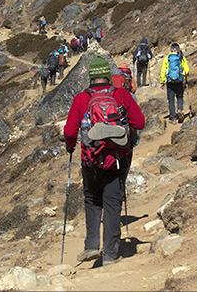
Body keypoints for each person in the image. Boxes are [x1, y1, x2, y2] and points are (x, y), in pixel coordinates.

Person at [63, 55, 145, 266]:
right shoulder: (122, 95)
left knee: (92, 199)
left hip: (91, 159)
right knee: (112, 203)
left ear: (91, 78)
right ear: (109, 76)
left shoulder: (82, 99)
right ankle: (109, 253)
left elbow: (70, 131)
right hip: (117, 158)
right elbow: (140, 122)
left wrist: (70, 146)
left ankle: (91, 246)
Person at [160, 43, 189, 125]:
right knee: (180, 96)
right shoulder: (181, 57)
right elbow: (187, 71)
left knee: (171, 100)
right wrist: (184, 75)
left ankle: (173, 118)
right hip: (179, 80)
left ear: (171, 49)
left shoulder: (167, 58)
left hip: (170, 82)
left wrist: (162, 82)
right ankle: (180, 109)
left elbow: (163, 71)